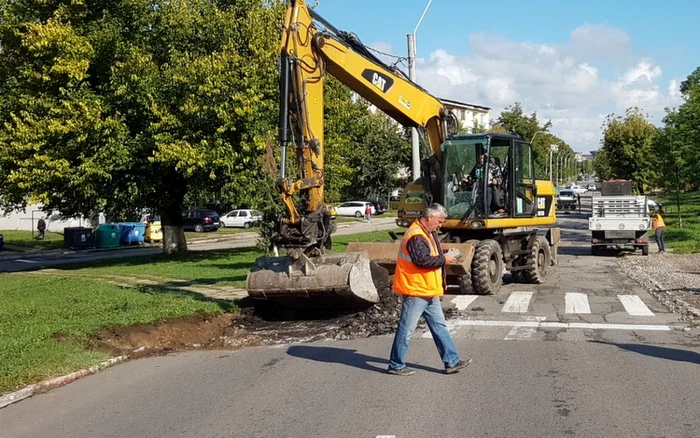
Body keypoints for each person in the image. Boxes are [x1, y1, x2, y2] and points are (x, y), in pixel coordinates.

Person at [387, 203, 472, 376]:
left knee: (440, 327)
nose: (441, 225)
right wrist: (445, 259)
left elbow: (429, 256)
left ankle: (452, 362)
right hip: (416, 290)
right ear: (429, 217)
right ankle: (396, 365)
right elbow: (422, 261)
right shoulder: (416, 235)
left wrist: (446, 254)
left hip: (428, 290)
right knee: (406, 330)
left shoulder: (427, 232)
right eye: (439, 221)